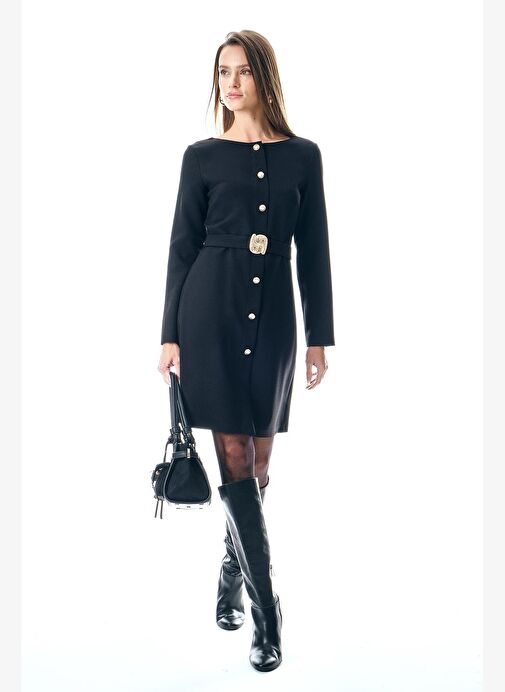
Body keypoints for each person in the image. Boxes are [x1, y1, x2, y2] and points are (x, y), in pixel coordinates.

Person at [158, 30, 335, 673]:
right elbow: (182, 246)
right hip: (210, 314)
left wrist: (320, 337)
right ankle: (269, 617)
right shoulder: (201, 157)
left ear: (265, 77)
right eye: (222, 72)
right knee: (233, 458)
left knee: (257, 469)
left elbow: (313, 250)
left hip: (276, 323)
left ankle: (231, 575)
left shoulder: (304, 157)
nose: (230, 84)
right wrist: (169, 334)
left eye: (242, 71)